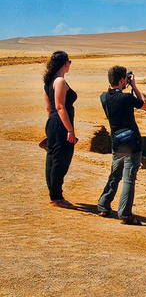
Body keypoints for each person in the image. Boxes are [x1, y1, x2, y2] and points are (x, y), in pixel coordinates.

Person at [98, 66, 146, 225]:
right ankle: (125, 214)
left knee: (115, 175)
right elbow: (144, 104)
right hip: (132, 143)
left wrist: (125, 83)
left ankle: (103, 204)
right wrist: (134, 86)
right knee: (128, 179)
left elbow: (111, 92)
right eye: (125, 79)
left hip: (117, 143)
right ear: (121, 80)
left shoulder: (104, 97)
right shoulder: (126, 98)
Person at [43, 51, 77, 209]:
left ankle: (54, 194)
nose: (70, 64)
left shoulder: (48, 82)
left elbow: (49, 108)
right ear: (65, 63)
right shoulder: (60, 81)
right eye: (69, 61)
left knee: (52, 158)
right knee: (60, 160)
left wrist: (52, 126)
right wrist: (69, 129)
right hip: (61, 125)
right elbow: (60, 106)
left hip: (53, 123)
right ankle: (57, 197)